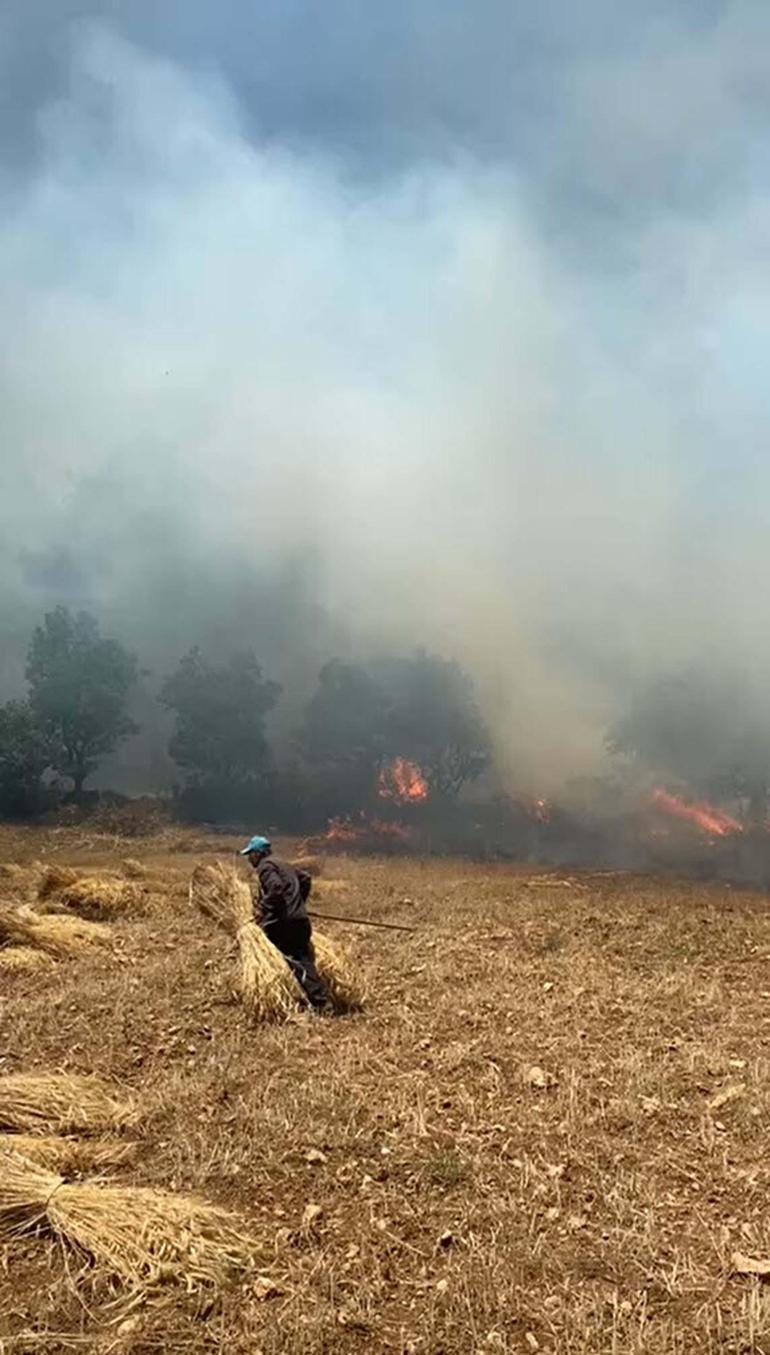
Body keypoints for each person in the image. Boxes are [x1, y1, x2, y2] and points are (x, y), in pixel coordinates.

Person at [239, 834, 331, 1012]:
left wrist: (262, 909)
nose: (249, 858)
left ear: (258, 854)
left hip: (285, 924)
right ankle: (316, 998)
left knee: (292, 960)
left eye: (250, 854)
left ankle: (319, 1001)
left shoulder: (265, 867)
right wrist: (298, 903)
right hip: (299, 920)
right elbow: (305, 879)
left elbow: (276, 888)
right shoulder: (284, 864)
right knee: (303, 960)